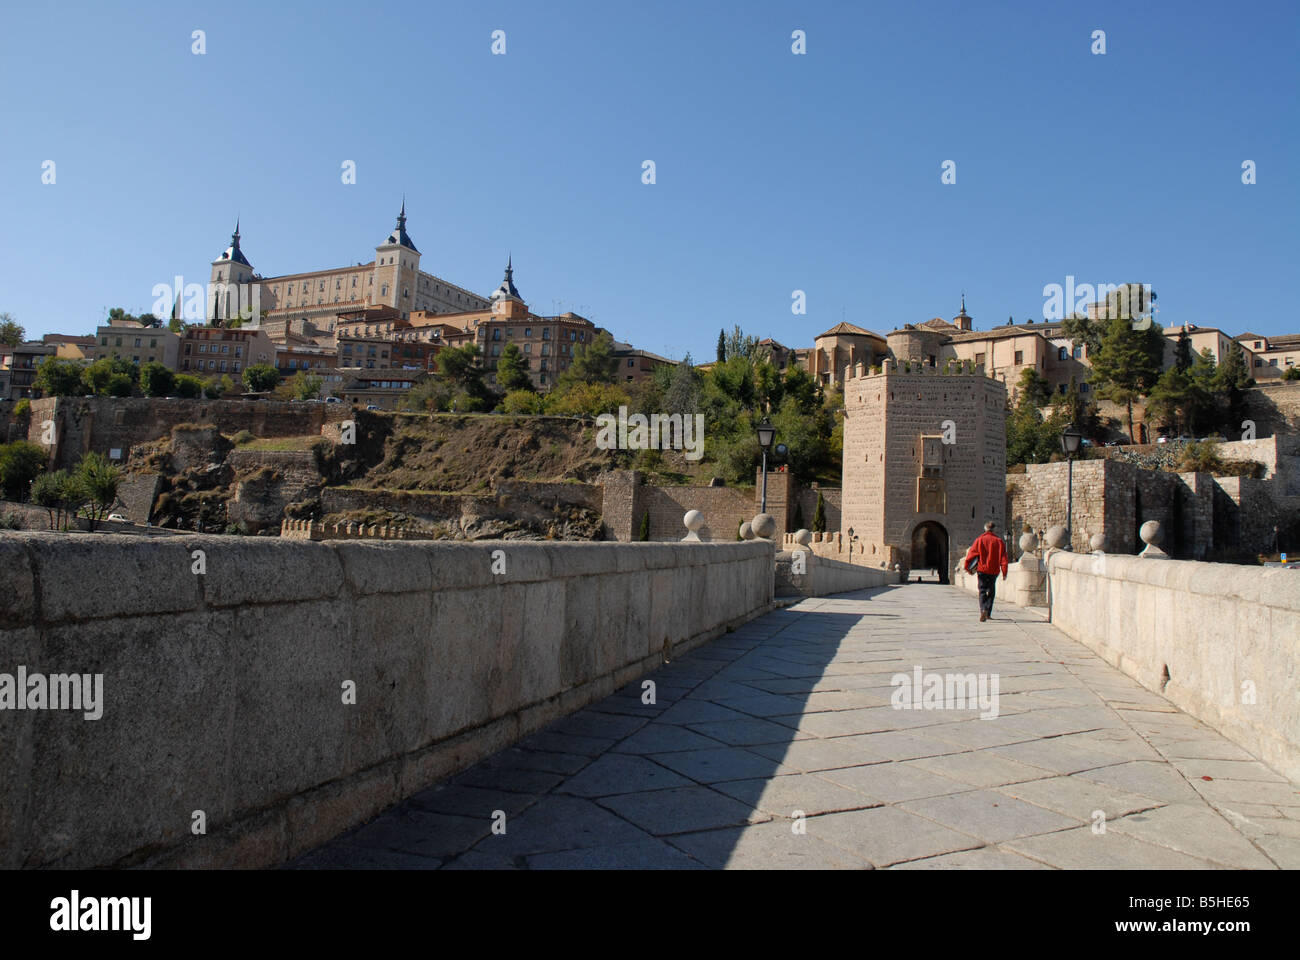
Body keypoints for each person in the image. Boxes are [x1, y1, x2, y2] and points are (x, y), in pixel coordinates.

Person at [964, 520, 1008, 622]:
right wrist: (1004, 572)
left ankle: (983, 609)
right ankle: (988, 612)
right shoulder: (999, 541)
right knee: (991, 591)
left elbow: (971, 555)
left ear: (985, 529)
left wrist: (967, 568)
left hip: (982, 569)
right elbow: (1004, 558)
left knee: (982, 590)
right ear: (994, 529)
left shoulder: (979, 540)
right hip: (994, 570)